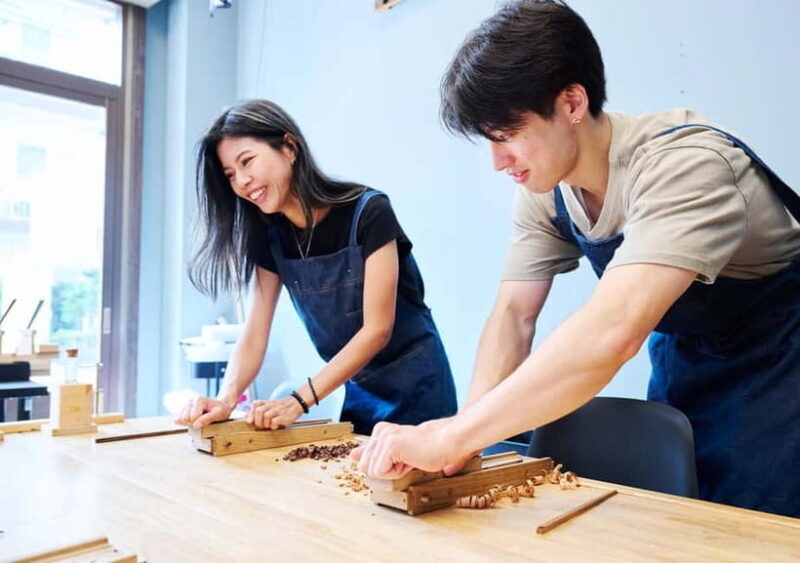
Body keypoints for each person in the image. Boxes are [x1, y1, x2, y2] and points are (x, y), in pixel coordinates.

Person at [353, 0, 800, 517]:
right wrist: (465, 438)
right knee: (679, 515)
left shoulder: (686, 166)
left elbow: (612, 332)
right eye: (488, 142)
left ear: (571, 103)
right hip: (688, 361)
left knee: (757, 529)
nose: (499, 161)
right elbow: (514, 316)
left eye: (508, 135)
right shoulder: (546, 189)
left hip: (780, 373)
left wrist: (453, 437)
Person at [176, 99, 457, 435]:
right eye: (231, 175)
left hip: (421, 390)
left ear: (289, 147)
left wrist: (299, 401)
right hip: (360, 392)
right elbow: (254, 330)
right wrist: (225, 400)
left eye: (247, 161)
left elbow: (377, 330)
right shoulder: (271, 238)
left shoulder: (369, 212)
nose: (242, 181)